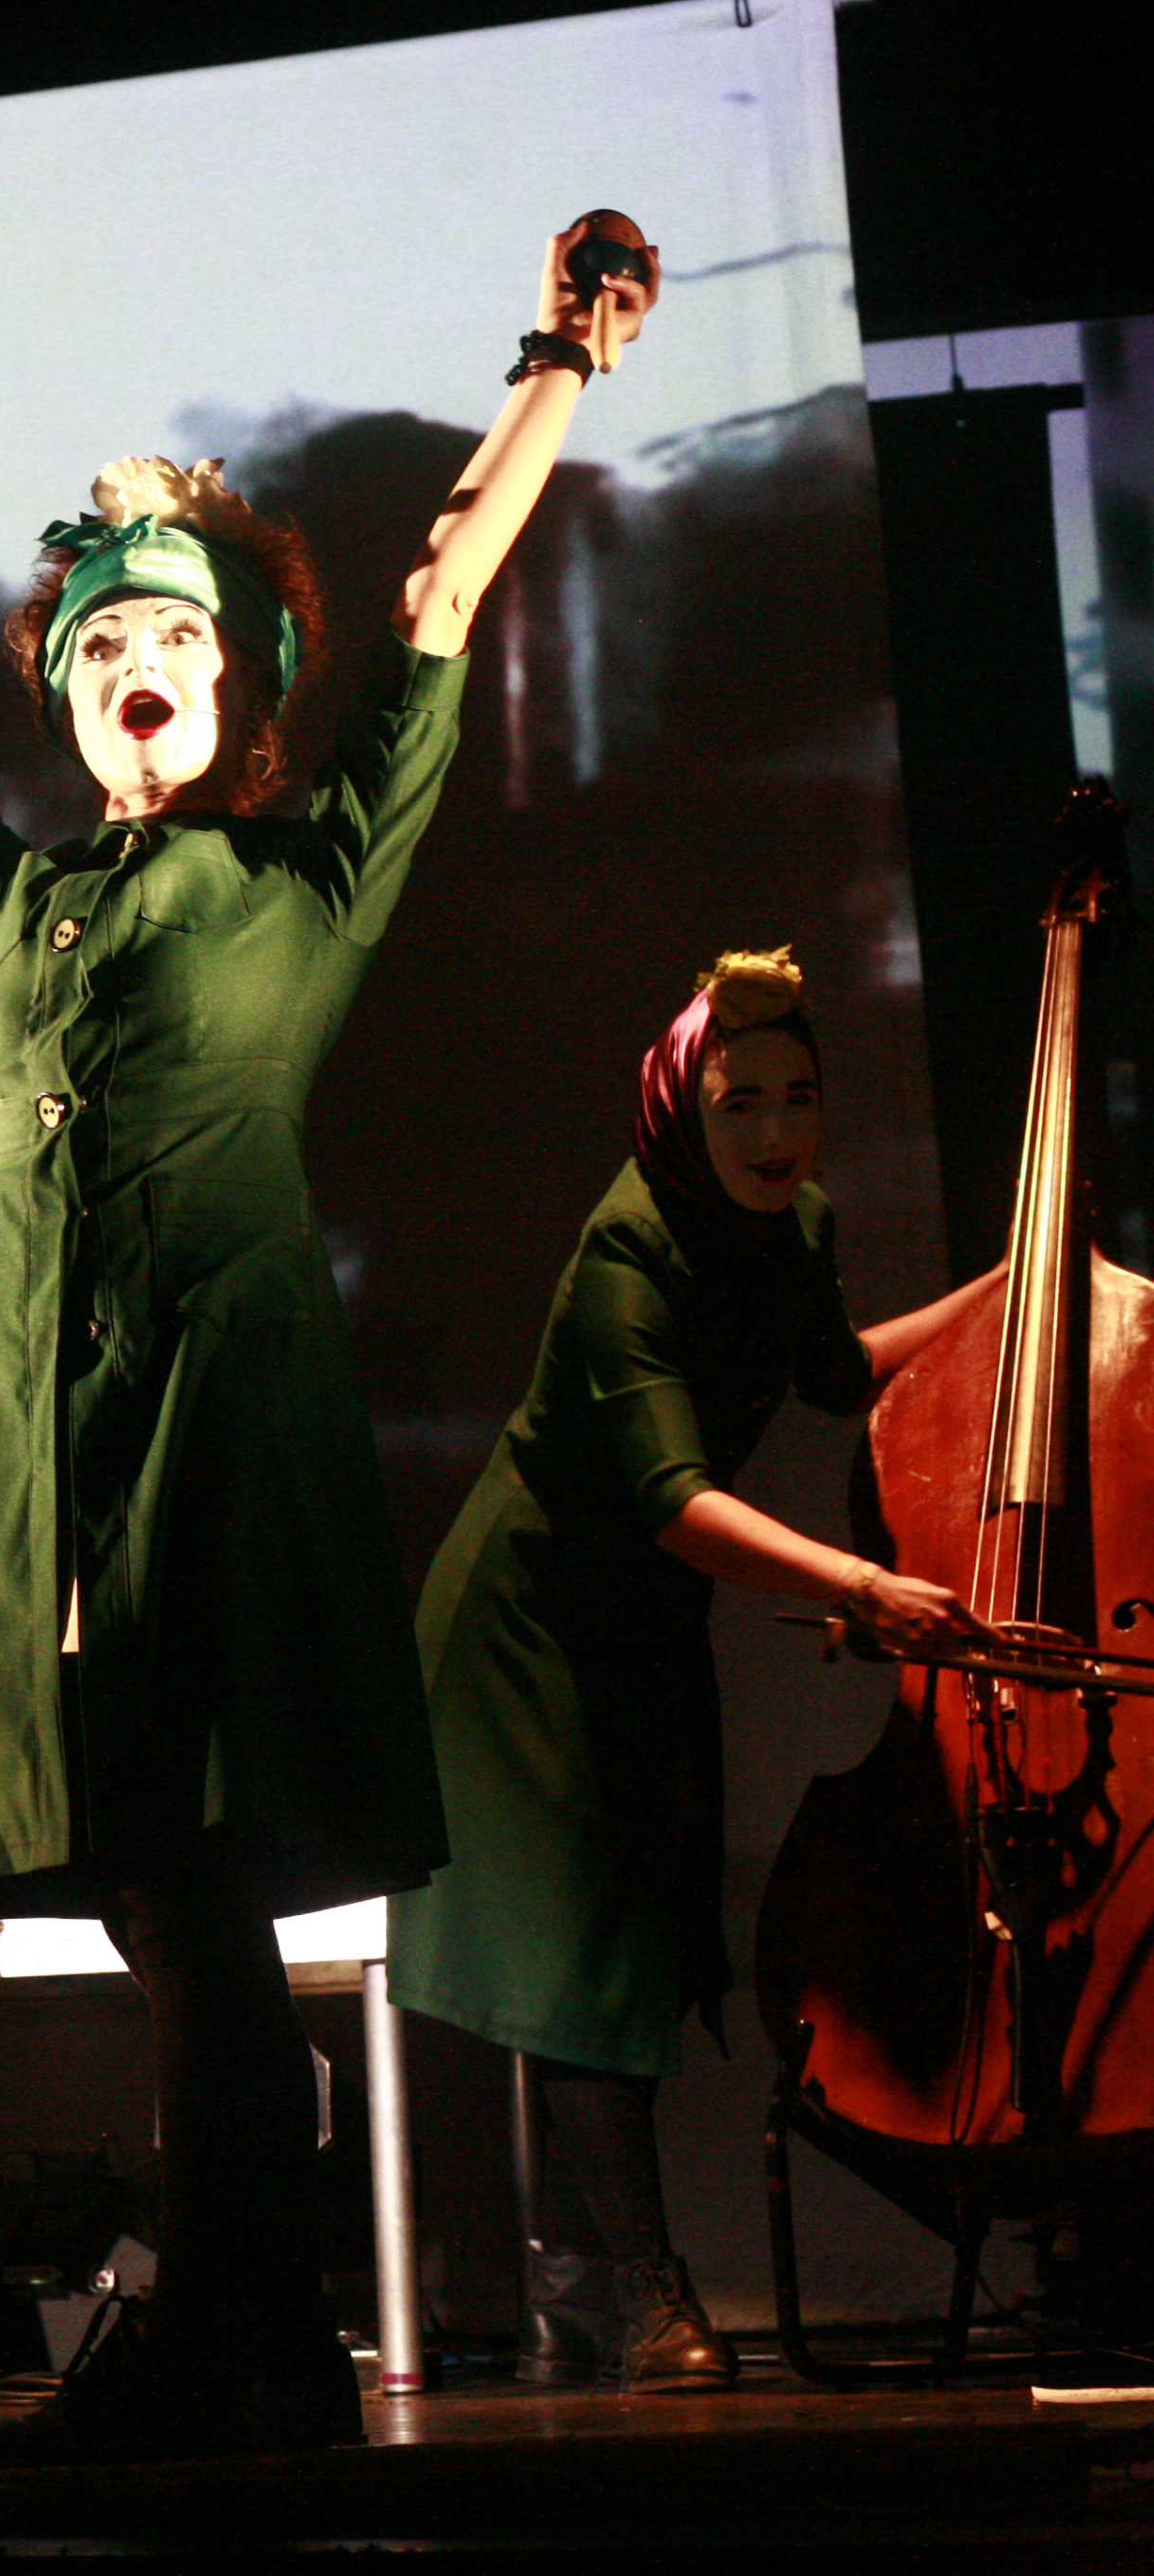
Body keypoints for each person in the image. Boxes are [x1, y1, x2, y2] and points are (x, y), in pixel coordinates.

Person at [0, 219, 658, 2463]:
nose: (135, 654)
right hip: (32, 1450)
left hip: (211, 1429)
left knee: (196, 1897)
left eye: (172, 633)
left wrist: (557, 369)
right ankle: (246, 2340)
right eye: (100, 631)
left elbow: (438, 589)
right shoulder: (8, 891)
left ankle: (234, 2344)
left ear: (231, 685)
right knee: (152, 1898)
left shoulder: (300, 876)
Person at [389, 952, 986, 2391]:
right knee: (577, 1962)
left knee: (619, 1948)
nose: (778, 1136)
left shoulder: (798, 1221)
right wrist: (858, 1585)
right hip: (524, 1631)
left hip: (638, 1623)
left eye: (799, 1100)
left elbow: (832, 1373)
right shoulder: (628, 1252)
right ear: (679, 1109)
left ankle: (568, 2292)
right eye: (742, 1107)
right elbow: (672, 1499)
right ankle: (646, 2295)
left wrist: (1000, 1294)